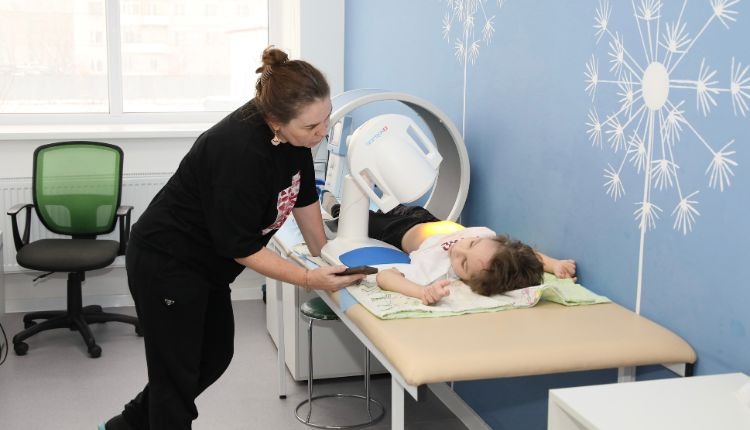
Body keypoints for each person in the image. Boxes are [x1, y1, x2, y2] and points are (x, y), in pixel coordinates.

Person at [101, 47, 365, 430]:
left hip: (209, 269)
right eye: (312, 127)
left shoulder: (296, 140)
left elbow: (303, 197)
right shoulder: (238, 150)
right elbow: (240, 247)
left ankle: (124, 426)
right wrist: (308, 277)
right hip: (167, 262)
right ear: (275, 121)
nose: (322, 132)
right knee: (175, 382)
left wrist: (327, 258)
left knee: (214, 357)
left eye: (326, 119)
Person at [321, 193, 576, 305]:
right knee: (389, 202)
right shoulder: (489, 240)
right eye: (472, 243)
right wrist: (554, 264)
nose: (458, 249)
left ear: (469, 282)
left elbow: (386, 278)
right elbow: (523, 255)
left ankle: (331, 204)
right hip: (427, 218)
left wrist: (422, 292)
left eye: (463, 264)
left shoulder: (436, 272)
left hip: (398, 231)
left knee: (355, 216)